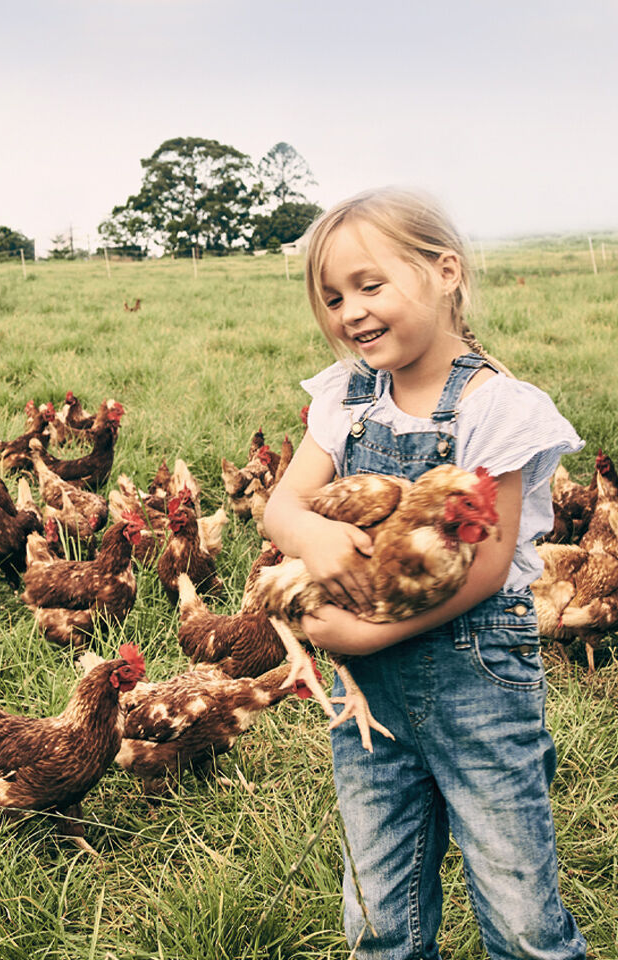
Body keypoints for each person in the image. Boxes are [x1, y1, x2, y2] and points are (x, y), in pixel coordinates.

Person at [263, 187, 587, 960]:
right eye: (333, 296)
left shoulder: (494, 407)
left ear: (445, 271)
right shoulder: (347, 396)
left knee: (517, 908)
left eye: (369, 285)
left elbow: (488, 564)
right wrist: (311, 531)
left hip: (476, 675)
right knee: (380, 908)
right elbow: (282, 504)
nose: (350, 312)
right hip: (367, 701)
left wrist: (367, 634)